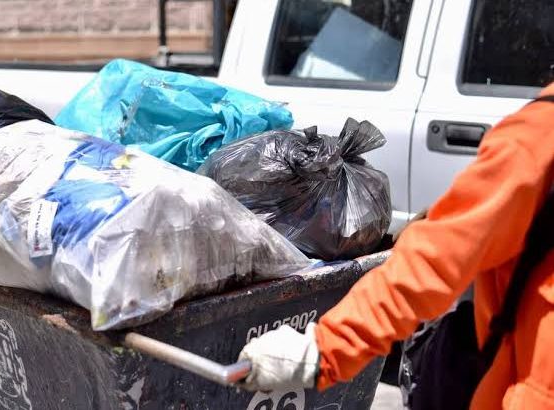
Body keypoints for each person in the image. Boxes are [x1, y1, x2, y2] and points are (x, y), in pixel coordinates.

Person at [237, 83, 554, 409]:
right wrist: (326, 348)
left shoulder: (537, 139)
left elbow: (435, 258)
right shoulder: (538, 140)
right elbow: (436, 258)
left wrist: (325, 348)